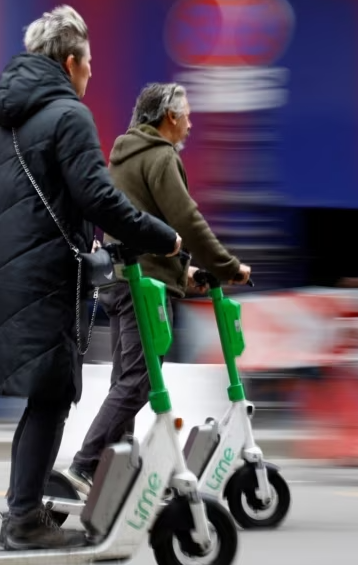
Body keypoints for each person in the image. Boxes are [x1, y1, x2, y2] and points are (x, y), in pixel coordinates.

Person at [0, 6, 182, 551]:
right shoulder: (67, 113)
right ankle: (22, 520)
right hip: (45, 275)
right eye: (89, 63)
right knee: (52, 393)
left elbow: (48, 199)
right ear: (70, 62)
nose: (91, 73)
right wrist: (162, 235)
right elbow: (96, 194)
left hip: (10, 273)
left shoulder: (12, 119)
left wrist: (95, 238)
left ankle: (24, 511)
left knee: (45, 395)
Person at [60, 82, 251, 496]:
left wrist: (183, 274)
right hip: (143, 288)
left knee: (125, 381)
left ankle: (118, 466)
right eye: (186, 115)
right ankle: (86, 464)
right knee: (141, 381)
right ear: (170, 117)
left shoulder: (125, 156)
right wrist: (228, 266)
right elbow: (186, 220)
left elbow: (142, 223)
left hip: (121, 282)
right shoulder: (161, 157)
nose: (190, 123)